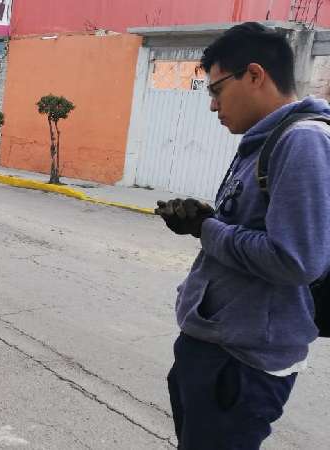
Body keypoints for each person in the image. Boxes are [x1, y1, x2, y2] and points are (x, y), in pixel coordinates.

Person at [156, 22, 330, 449]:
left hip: (240, 362)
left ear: (255, 75)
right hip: (216, 345)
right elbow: (249, 229)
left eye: (216, 90)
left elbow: (296, 259)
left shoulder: (303, 142)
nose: (213, 106)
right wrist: (204, 222)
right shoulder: (263, 142)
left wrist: (208, 229)